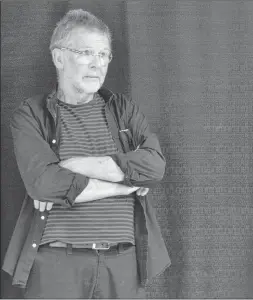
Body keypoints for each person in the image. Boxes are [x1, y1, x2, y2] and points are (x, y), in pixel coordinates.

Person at [2, 9, 170, 299]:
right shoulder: (31, 114)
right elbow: (44, 183)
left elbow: (155, 166)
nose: (97, 64)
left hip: (124, 265)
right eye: (86, 53)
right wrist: (126, 185)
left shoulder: (123, 110)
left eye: (104, 54)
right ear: (58, 57)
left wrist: (76, 166)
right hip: (57, 265)